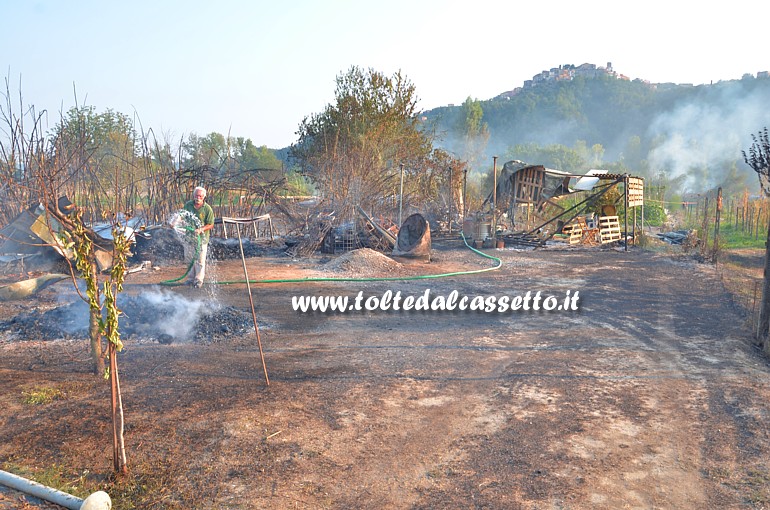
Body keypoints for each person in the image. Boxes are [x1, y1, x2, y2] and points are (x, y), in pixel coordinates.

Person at [183, 186, 215, 288]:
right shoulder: (188, 205)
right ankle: (190, 278)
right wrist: (175, 222)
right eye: (196, 195)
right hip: (189, 238)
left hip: (201, 240)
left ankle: (198, 280)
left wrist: (201, 229)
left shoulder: (207, 209)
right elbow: (182, 216)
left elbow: (210, 224)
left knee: (200, 260)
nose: (198, 197)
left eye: (200, 196)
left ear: (204, 197)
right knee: (190, 259)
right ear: (194, 195)